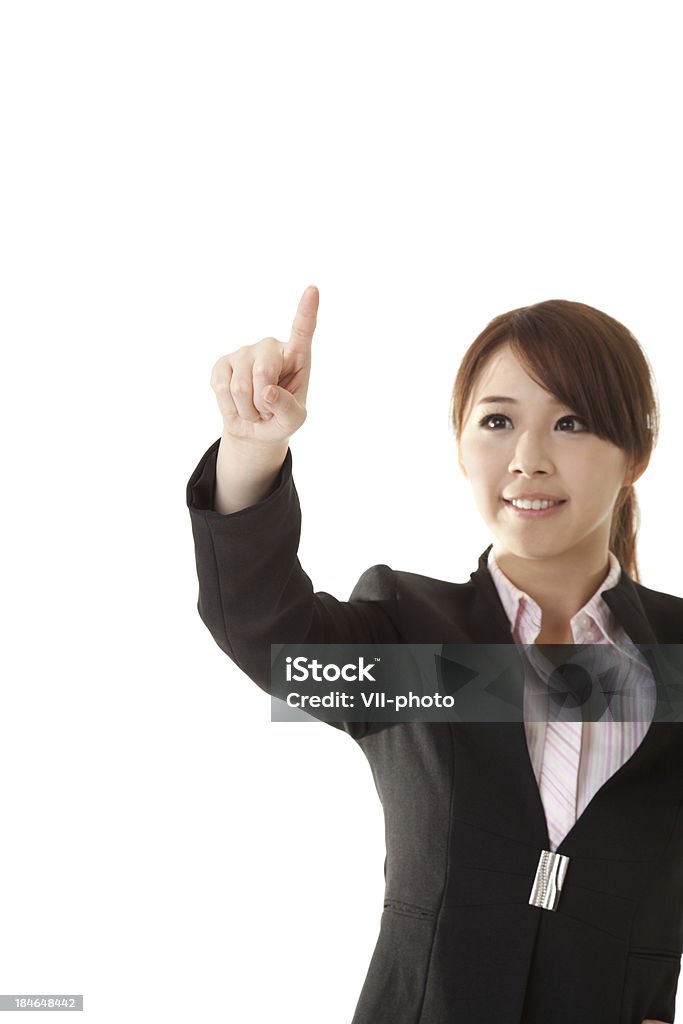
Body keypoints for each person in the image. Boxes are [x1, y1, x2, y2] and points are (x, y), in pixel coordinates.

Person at [186, 285, 683, 1024]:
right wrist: (254, 452)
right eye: (496, 421)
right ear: (459, 445)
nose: (528, 459)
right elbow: (271, 637)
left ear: (635, 452)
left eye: (571, 422)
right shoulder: (418, 644)